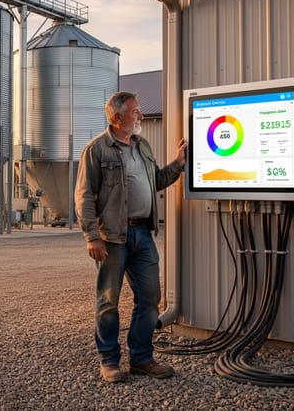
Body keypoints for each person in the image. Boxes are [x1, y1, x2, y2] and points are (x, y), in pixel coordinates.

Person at [74, 91, 186, 383]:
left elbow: (155, 180)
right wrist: (92, 236)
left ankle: (141, 358)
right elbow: (84, 196)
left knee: (150, 296)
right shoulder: (97, 149)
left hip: (142, 233)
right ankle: (109, 361)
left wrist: (177, 163)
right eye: (135, 111)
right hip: (111, 237)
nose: (141, 116)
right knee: (108, 300)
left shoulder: (141, 145)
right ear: (117, 117)